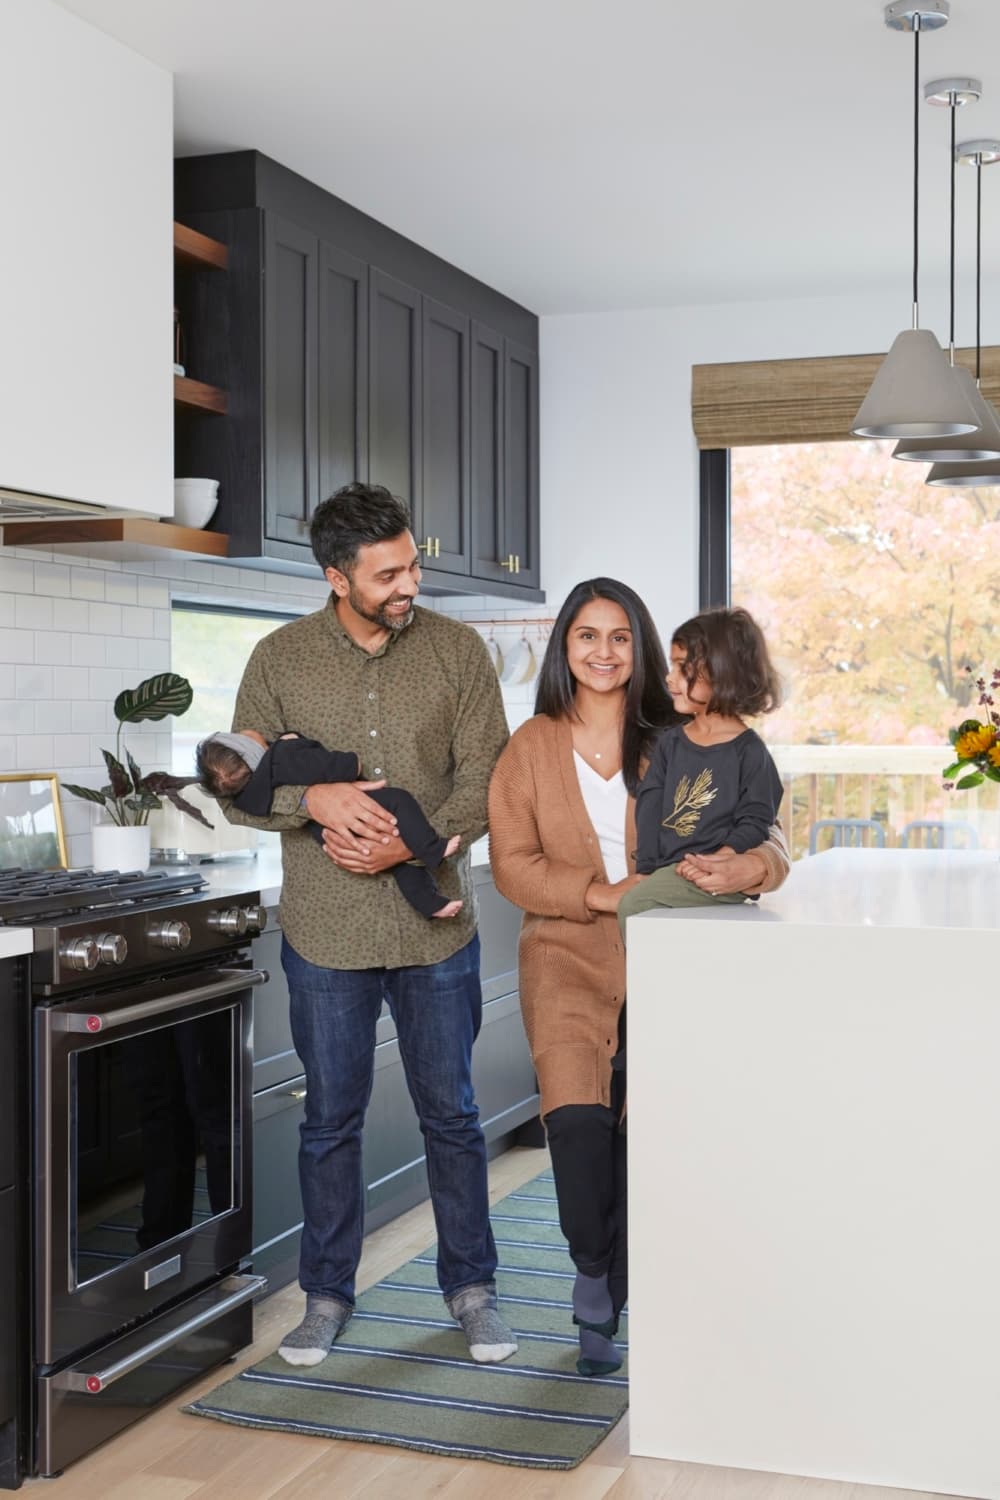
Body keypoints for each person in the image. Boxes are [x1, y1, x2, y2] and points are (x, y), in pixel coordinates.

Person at [217, 481, 514, 1367]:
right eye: (389, 572)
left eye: (412, 563)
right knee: (329, 1125)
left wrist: (412, 850)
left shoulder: (459, 653)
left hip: (436, 934)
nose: (410, 582)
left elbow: (486, 779)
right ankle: (325, 1297)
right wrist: (318, 797)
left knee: (453, 1117)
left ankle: (472, 1290)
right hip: (326, 936)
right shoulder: (277, 660)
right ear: (337, 576)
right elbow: (239, 785)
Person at [487, 578, 790, 1377]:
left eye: (621, 636)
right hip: (566, 961)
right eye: (587, 636)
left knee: (654, 1143)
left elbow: (772, 834)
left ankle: (646, 1297)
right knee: (580, 1133)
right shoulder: (529, 748)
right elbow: (512, 866)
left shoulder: (679, 733)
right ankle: (594, 1274)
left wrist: (754, 863)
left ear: (643, 648)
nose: (604, 652)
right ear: (564, 647)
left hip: (675, 960)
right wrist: (596, 893)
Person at [617, 606, 783, 929]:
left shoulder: (750, 752)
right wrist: (646, 871)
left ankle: (642, 981)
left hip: (719, 880)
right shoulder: (670, 744)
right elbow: (649, 807)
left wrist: (720, 859)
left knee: (632, 907)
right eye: (671, 665)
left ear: (722, 675)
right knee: (645, 905)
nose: (669, 677)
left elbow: (757, 818)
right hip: (670, 873)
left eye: (682, 667)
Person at [197, 729, 463, 918]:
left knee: (398, 865)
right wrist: (297, 744)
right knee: (399, 801)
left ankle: (431, 904)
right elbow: (344, 767)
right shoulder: (284, 756)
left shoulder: (249, 795)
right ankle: (433, 848)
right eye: (243, 738)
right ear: (253, 753)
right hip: (358, 808)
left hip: (327, 832)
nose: (248, 729)